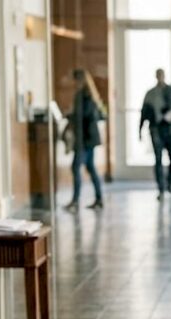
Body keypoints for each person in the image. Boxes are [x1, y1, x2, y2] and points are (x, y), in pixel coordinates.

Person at [62, 69, 107, 212]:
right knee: (90, 168)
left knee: (76, 167)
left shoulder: (83, 96)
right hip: (88, 139)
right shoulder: (89, 95)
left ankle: (76, 201)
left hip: (85, 139)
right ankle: (99, 199)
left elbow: (82, 118)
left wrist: (70, 116)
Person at [140, 68, 171, 200]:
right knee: (158, 160)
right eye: (158, 75)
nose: (160, 77)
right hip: (156, 130)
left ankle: (169, 185)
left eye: (162, 75)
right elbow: (144, 112)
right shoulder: (150, 94)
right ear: (156, 76)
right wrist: (140, 130)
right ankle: (161, 189)